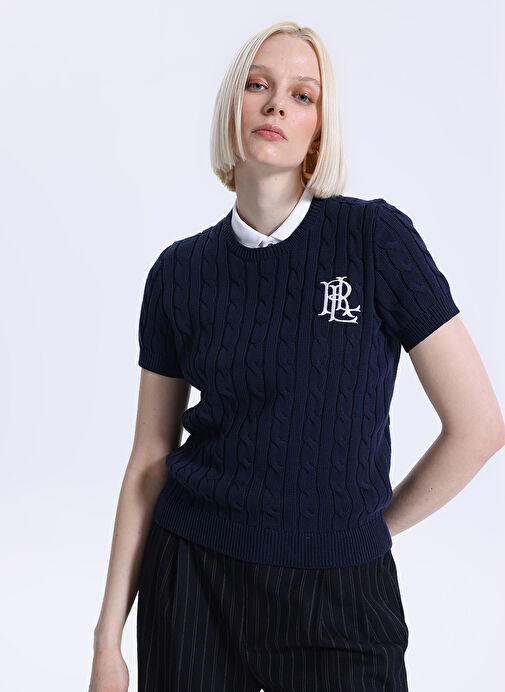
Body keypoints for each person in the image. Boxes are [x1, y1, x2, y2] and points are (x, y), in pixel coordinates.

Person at [89, 21, 505, 692]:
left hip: (341, 600)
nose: (277, 104)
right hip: (193, 583)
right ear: (233, 106)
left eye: (302, 95)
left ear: (319, 130)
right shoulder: (178, 272)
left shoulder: (375, 240)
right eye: (259, 85)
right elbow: (148, 462)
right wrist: (107, 641)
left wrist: (366, 530)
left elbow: (479, 427)